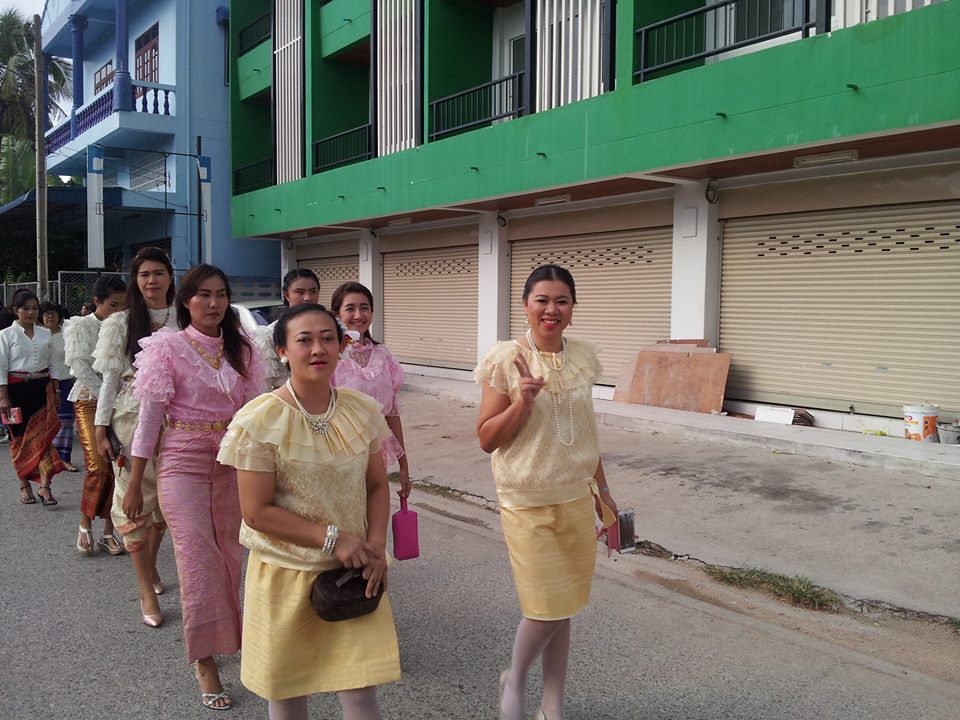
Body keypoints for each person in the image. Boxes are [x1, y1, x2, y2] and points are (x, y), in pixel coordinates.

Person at [218, 303, 400, 720]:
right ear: (283, 351)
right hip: (285, 572)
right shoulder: (261, 419)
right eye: (304, 340)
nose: (318, 349)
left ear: (341, 347)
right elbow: (256, 511)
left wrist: (375, 546)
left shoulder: (361, 410)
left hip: (352, 574)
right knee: (288, 693)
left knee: (360, 691)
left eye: (328, 338)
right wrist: (334, 539)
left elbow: (376, 485)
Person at [474, 264, 619, 720]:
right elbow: (486, 438)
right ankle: (515, 678)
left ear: (573, 308)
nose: (551, 309)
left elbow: (586, 434)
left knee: (565, 602)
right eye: (542, 300)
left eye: (561, 301)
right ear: (526, 306)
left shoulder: (583, 357)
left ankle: (552, 705)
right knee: (545, 607)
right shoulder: (505, 358)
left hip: (575, 497)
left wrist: (604, 495)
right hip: (526, 501)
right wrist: (523, 400)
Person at [128, 264, 265, 711]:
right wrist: (135, 483)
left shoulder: (243, 348)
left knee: (230, 555)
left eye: (221, 294)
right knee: (196, 559)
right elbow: (149, 422)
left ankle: (229, 636)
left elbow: (256, 415)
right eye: (203, 294)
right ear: (185, 301)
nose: (213, 303)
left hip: (232, 463)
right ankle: (204, 660)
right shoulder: (166, 347)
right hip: (181, 465)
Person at [92, 247, 178, 625]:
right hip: (130, 420)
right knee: (134, 501)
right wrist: (100, 427)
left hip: (180, 421)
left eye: (158, 273)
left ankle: (152, 564)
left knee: (168, 502)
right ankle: (144, 586)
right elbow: (110, 380)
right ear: (135, 281)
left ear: (170, 277)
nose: (152, 280)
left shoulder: (186, 316)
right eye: (144, 275)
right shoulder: (121, 323)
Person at [63, 276, 128, 556]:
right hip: (90, 399)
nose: (119, 311)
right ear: (96, 302)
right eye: (113, 305)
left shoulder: (128, 325)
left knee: (119, 467)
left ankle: (109, 532)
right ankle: (85, 523)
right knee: (98, 465)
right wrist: (108, 395)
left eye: (123, 305)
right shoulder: (81, 326)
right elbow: (80, 367)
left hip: (123, 402)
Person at [330, 282, 411, 497]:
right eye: (350, 308)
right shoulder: (329, 357)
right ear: (337, 314)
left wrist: (404, 466)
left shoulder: (383, 356)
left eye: (364, 308)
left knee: (374, 510)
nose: (358, 315)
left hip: (377, 455)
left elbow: (391, 414)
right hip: (339, 456)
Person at [0, 289, 68, 505]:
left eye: (34, 308)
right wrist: (3, 398)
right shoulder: (5, 335)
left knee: (45, 439)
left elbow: (54, 365)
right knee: (18, 440)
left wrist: (56, 391)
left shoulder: (45, 334)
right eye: (25, 308)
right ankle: (24, 485)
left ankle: (45, 487)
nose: (30, 312)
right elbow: (1, 368)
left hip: (42, 389)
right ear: (15, 310)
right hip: (15, 392)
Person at [255, 268, 320, 389]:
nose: (308, 298)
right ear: (287, 295)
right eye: (300, 292)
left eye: (313, 291)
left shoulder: (328, 330)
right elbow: (264, 387)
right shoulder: (268, 336)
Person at [42, 302, 79, 473]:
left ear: (60, 316)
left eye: (53, 313)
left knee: (66, 420)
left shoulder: (68, 333)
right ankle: (46, 459)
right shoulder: (38, 335)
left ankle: (64, 458)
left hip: (65, 381)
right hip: (43, 382)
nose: (50, 317)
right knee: (45, 422)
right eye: (46, 313)